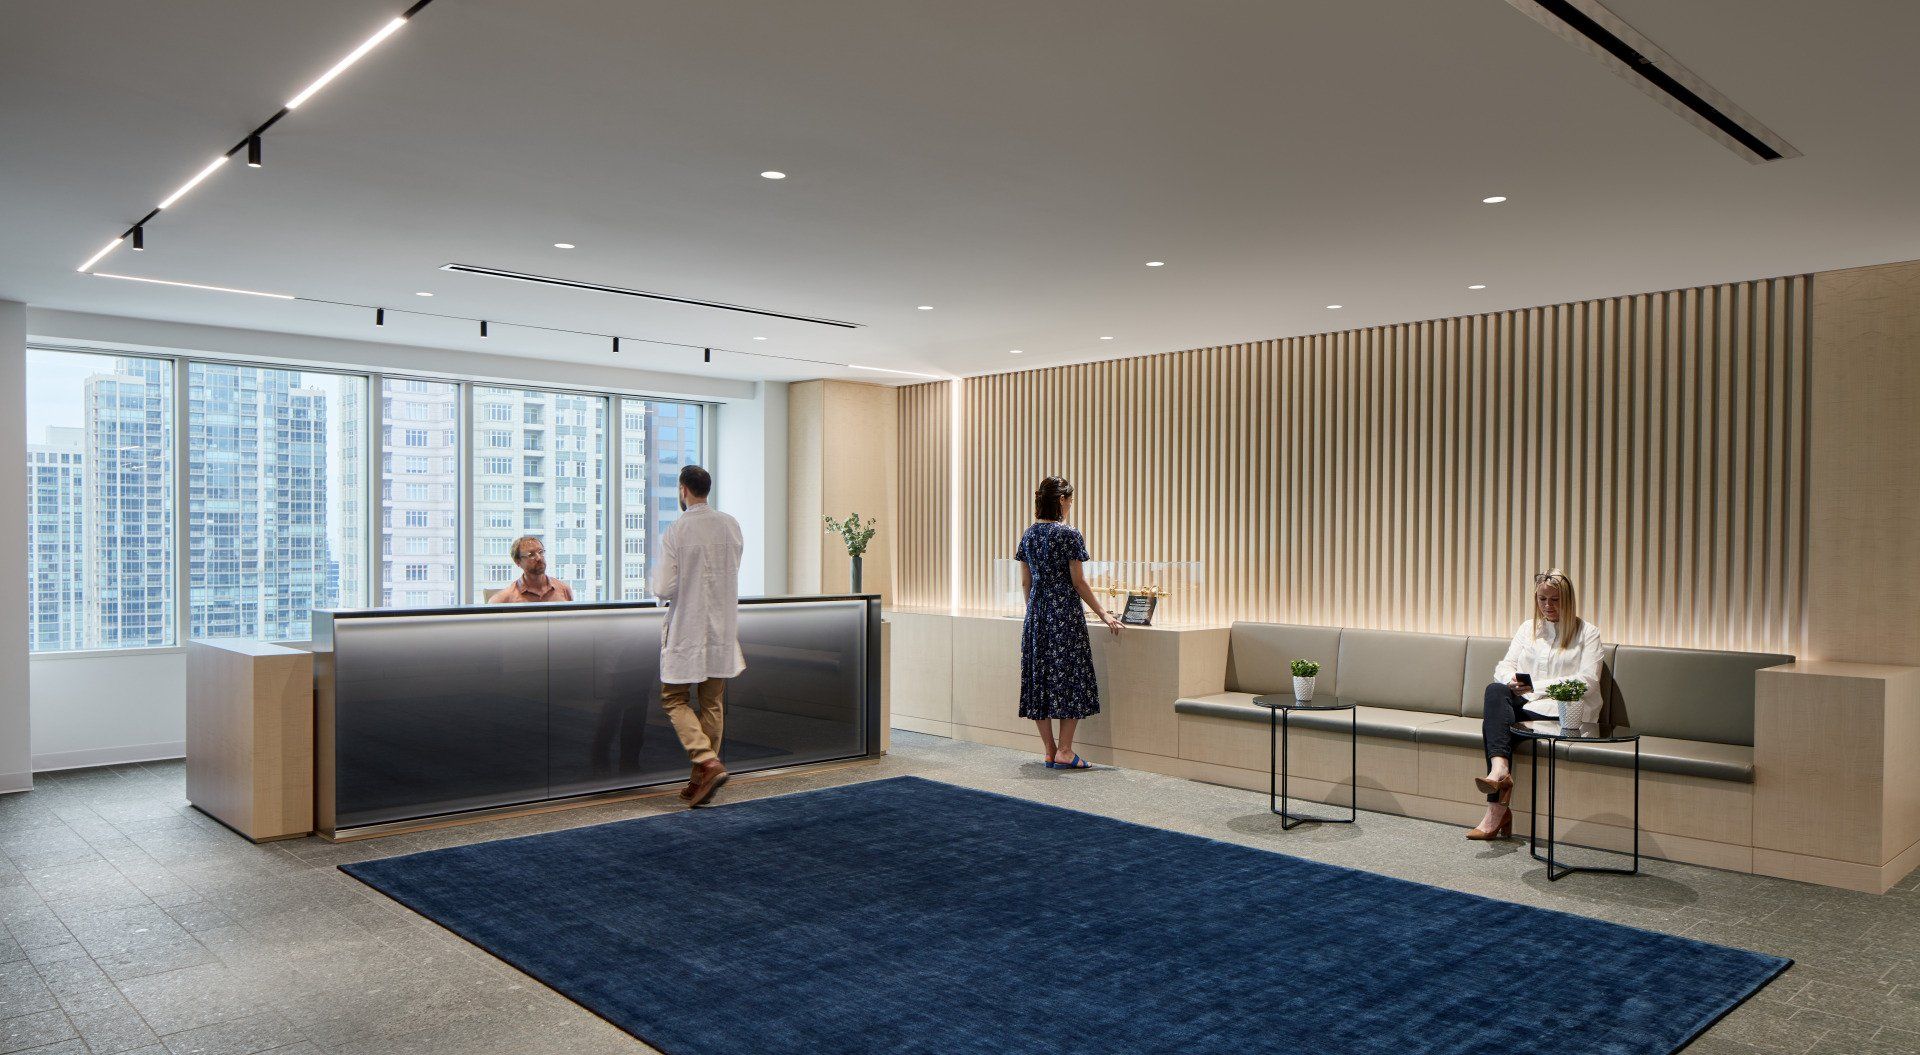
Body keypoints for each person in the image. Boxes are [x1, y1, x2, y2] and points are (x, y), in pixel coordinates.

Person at [1467, 568, 1604, 840]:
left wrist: (1535, 688)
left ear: (1568, 600)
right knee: (1495, 690)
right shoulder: (1528, 629)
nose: (1547, 606)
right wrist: (1512, 681)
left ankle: (1496, 810)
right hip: (1526, 707)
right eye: (1542, 599)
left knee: (1495, 724)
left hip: (1562, 713)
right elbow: (1504, 666)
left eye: (1555, 600)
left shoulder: (1587, 633)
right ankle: (1499, 770)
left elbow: (1588, 681)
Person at [648, 464, 744, 807]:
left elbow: (664, 586)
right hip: (722, 627)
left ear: (683, 490)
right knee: (712, 703)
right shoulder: (730, 525)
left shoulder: (677, 530)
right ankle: (701, 780)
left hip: (689, 628)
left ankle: (705, 760)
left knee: (673, 698)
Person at [1016, 476, 1123, 771]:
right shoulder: (1069, 535)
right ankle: (1065, 750)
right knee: (1070, 679)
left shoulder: (1028, 535)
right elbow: (1079, 582)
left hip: (1036, 616)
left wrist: (1035, 612)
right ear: (1062, 500)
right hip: (1065, 615)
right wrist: (1104, 613)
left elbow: (1026, 582)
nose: (1071, 506)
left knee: (1040, 680)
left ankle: (1049, 750)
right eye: (1071, 500)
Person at [486, 536, 574, 603]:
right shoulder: (504, 599)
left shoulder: (564, 590)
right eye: (531, 555)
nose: (539, 558)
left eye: (541, 552)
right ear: (518, 562)